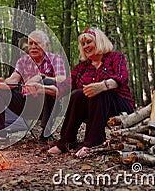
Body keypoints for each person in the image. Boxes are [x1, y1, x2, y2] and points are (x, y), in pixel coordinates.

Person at [43, 27, 134, 158]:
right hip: (93, 109)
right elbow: (63, 88)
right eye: (83, 44)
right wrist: (42, 89)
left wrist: (103, 85)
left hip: (119, 105)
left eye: (89, 42)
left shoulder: (115, 57)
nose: (86, 46)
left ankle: (93, 142)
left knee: (100, 92)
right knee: (77, 94)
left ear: (99, 41)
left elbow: (122, 78)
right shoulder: (81, 67)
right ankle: (67, 141)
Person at [0, 30, 65, 143]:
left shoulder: (55, 59)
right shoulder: (23, 60)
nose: (33, 47)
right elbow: (13, 80)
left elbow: (62, 80)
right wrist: (2, 83)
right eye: (30, 44)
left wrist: (41, 77)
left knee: (47, 84)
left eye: (37, 43)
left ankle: (46, 133)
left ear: (46, 45)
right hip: (25, 104)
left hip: (47, 105)